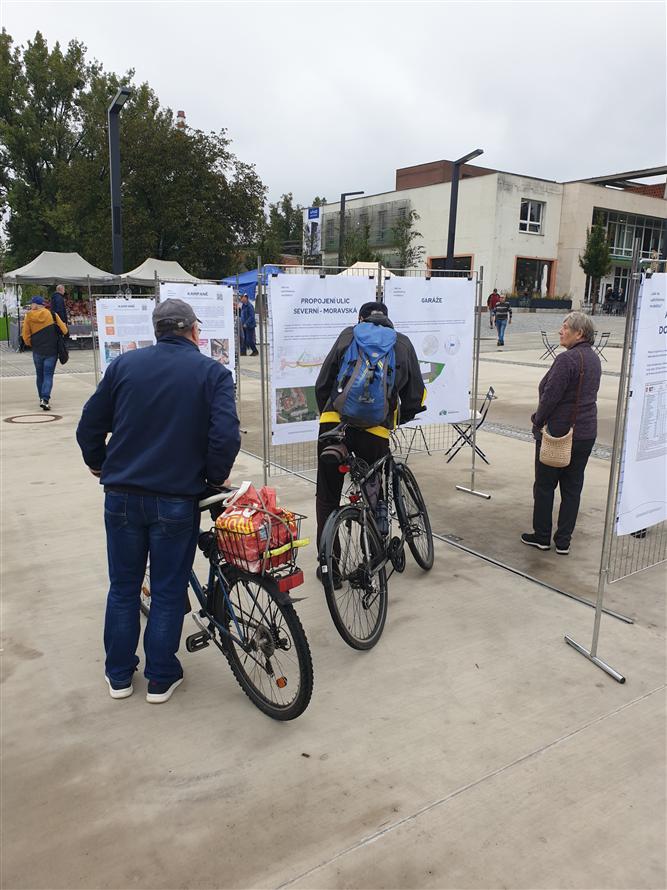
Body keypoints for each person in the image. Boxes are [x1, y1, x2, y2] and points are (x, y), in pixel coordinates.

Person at [76, 298, 241, 704]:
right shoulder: (213, 373)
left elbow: (89, 425)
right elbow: (225, 436)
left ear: (157, 330)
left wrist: (99, 464)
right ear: (194, 331)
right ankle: (160, 677)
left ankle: (118, 676)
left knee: (123, 588)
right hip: (176, 498)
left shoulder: (123, 366)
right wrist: (213, 478)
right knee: (167, 590)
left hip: (122, 496)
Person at [314, 301, 426, 552]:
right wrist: (397, 419)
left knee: (328, 495)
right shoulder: (402, 343)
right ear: (387, 319)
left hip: (335, 426)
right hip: (375, 430)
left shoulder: (348, 335)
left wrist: (330, 416)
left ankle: (329, 564)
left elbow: (322, 384)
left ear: (360, 319)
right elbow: (415, 396)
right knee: (374, 492)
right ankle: (374, 556)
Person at [522, 311, 601, 555]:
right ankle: (564, 541)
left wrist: (537, 421)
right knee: (572, 488)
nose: (560, 331)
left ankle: (542, 536)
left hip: (559, 433)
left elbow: (550, 397)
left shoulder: (566, 360)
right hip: (585, 432)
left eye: (565, 327)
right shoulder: (594, 358)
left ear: (579, 333)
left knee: (545, 486)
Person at [21, 295, 68, 411]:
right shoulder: (52, 314)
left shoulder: (28, 316)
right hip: (51, 350)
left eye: (32, 303)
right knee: (48, 375)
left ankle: (41, 398)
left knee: (40, 375)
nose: (31, 305)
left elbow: (25, 335)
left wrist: (32, 343)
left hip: (37, 350)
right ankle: (45, 399)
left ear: (36, 305)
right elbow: (64, 330)